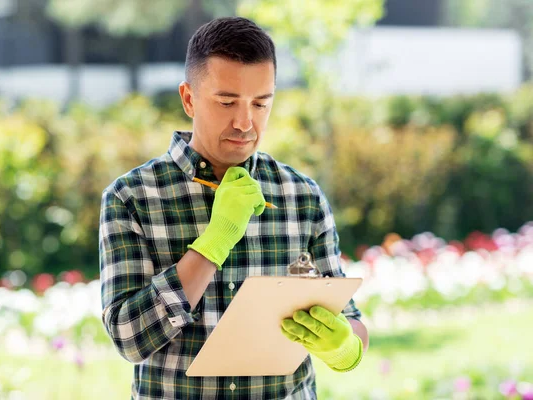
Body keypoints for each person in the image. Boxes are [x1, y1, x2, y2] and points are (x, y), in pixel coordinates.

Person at [99, 16, 369, 400]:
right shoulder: (132, 197)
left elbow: (353, 323)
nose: (245, 122)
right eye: (227, 101)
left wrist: (343, 348)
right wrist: (214, 241)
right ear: (189, 99)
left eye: (261, 103)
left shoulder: (301, 196)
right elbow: (128, 339)